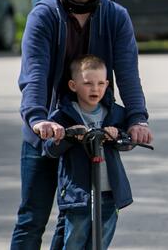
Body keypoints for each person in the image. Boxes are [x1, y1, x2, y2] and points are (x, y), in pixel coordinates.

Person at [12, 0, 152, 249]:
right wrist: (37, 119)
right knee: (32, 218)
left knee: (74, 218)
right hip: (48, 130)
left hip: (89, 134)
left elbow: (128, 73)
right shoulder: (44, 15)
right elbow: (34, 74)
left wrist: (137, 119)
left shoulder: (115, 16)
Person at [41, 55, 132, 250]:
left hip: (109, 191)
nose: (95, 88)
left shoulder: (114, 112)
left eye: (100, 83)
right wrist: (69, 136)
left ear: (107, 84)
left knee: (100, 242)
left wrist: (117, 135)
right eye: (88, 83)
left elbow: (128, 142)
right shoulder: (63, 115)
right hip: (78, 193)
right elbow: (49, 149)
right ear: (73, 85)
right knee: (74, 241)